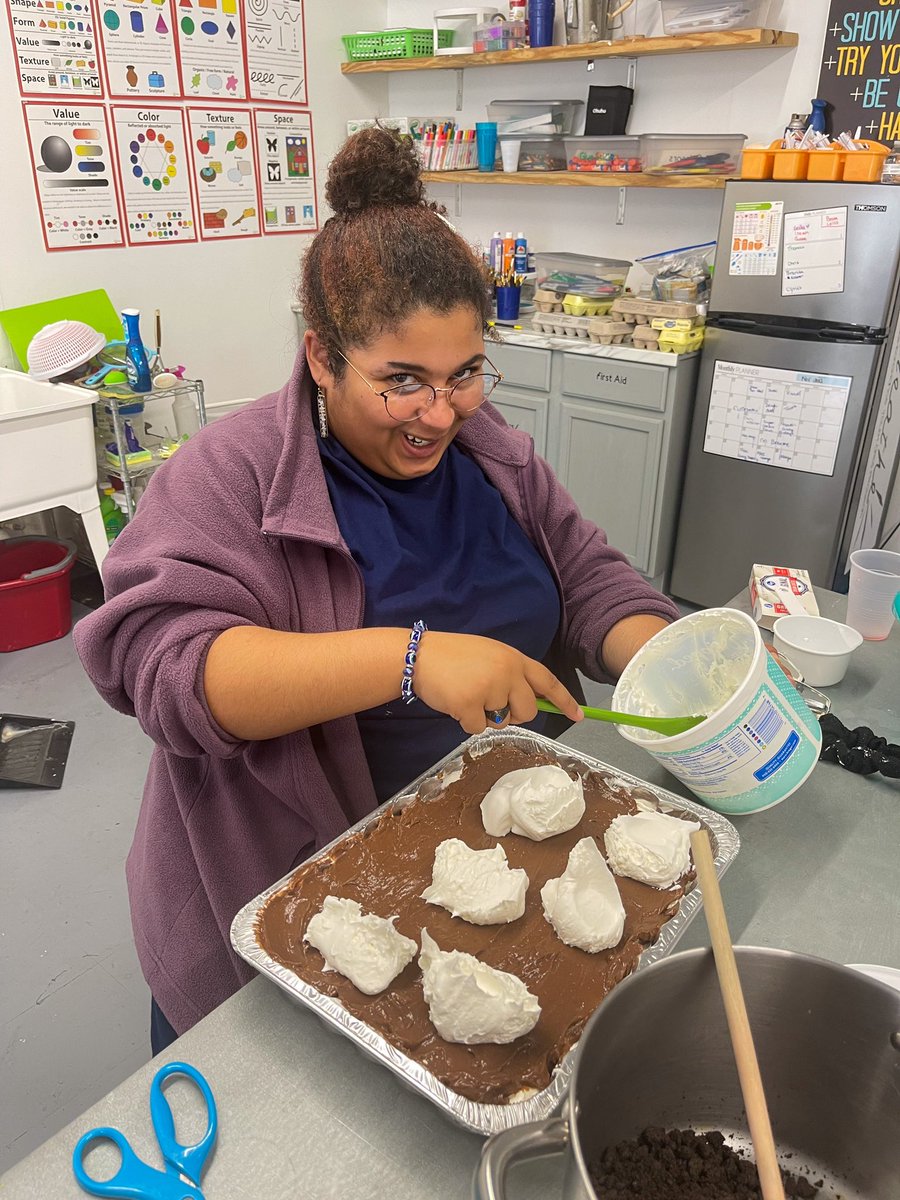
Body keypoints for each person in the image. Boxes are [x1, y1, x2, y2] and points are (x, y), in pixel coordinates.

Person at [75, 128, 679, 1054]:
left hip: (501, 875)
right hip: (307, 902)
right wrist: (411, 659)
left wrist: (678, 667)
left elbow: (590, 573)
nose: (441, 414)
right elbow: (167, 674)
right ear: (321, 357)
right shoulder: (229, 477)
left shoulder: (492, 453)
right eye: (402, 383)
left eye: (465, 374)